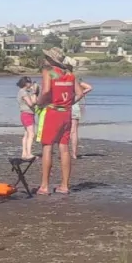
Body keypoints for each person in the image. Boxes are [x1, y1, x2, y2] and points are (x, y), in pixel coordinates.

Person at [35, 47, 85, 195]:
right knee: (64, 148)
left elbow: (45, 91)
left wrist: (38, 102)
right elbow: (80, 93)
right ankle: (64, 185)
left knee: (47, 147)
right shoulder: (70, 74)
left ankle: (44, 186)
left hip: (53, 112)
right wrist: (69, 103)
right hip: (66, 114)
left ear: (50, 59)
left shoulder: (48, 71)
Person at [70, 78, 94, 159]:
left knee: (65, 131)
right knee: (74, 131)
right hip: (74, 105)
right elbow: (89, 87)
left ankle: (65, 152)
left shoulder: (61, 80)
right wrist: (80, 94)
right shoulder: (75, 81)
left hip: (64, 105)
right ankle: (74, 154)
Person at [17, 77, 38, 160]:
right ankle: (28, 153)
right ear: (26, 83)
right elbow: (31, 103)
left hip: (27, 114)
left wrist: (32, 92)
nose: (31, 84)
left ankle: (24, 153)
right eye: (30, 82)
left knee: (26, 134)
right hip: (27, 114)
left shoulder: (24, 91)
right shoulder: (23, 92)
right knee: (31, 134)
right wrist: (34, 92)